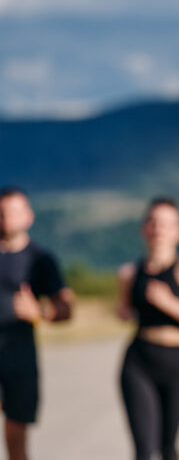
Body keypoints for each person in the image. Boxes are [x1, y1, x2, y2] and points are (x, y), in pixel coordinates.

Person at [116, 197, 179, 460]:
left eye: (166, 224)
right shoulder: (129, 272)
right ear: (143, 228)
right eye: (153, 222)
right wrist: (123, 312)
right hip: (139, 360)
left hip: (175, 361)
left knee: (169, 448)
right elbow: (125, 310)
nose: (158, 229)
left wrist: (170, 303)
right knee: (143, 449)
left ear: (178, 232)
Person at [0, 187, 74, 460]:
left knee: (16, 435)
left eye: (14, 212)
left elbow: (66, 308)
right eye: (1, 213)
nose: (6, 219)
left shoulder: (40, 260)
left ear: (29, 217)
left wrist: (40, 311)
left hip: (19, 355)